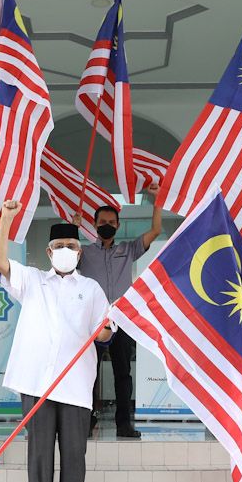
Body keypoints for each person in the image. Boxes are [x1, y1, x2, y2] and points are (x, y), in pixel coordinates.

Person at [0, 201, 113, 482]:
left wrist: (104, 331)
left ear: (79, 252)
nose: (65, 251)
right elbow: (0, 261)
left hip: (75, 386)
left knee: (74, 459)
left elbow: (105, 330)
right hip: (37, 385)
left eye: (71, 246)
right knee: (40, 458)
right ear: (48, 252)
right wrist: (7, 219)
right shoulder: (32, 280)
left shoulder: (91, 289)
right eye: (59, 246)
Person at [76, 182, 163, 438]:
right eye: (102, 221)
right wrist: (73, 226)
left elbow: (156, 230)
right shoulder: (83, 253)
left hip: (121, 320)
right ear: (94, 225)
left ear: (117, 225)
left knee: (123, 374)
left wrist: (157, 200)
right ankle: (86, 422)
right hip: (92, 321)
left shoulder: (128, 250)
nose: (107, 225)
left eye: (111, 222)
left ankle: (124, 424)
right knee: (88, 374)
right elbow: (64, 253)